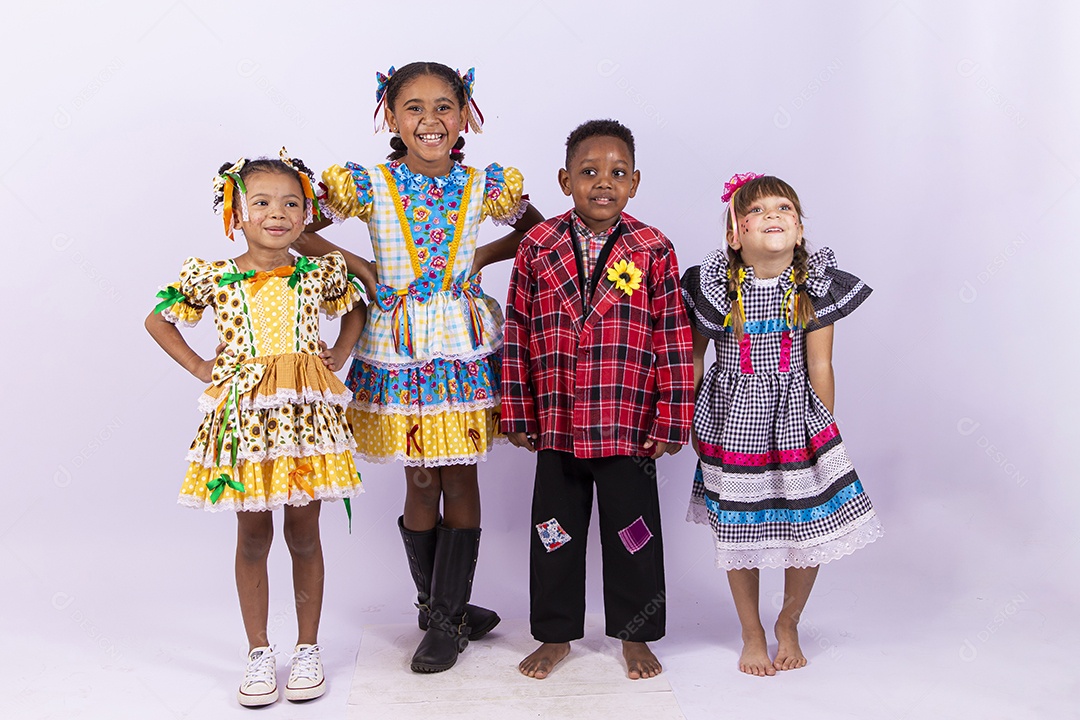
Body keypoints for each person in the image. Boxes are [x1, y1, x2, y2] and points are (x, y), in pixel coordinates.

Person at [297, 62, 544, 673]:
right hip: (400, 343)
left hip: (459, 343)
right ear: (391, 116)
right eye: (413, 107)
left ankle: (444, 618)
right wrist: (356, 262)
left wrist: (483, 253)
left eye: (443, 107)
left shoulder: (488, 183)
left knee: (460, 475)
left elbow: (538, 230)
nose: (429, 120)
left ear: (465, 116)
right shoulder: (370, 184)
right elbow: (298, 224)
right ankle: (440, 607)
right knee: (422, 479)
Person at [145, 150, 366, 706]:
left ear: (305, 212)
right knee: (252, 535)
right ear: (236, 212)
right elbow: (157, 318)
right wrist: (201, 366)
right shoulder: (216, 277)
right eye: (262, 202)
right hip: (245, 420)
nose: (278, 212)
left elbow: (357, 307)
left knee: (305, 532)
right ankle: (259, 651)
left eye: (292, 203)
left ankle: (308, 648)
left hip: (304, 419)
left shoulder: (318, 273)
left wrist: (339, 352)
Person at [501, 119, 693, 680]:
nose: (602, 182)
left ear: (634, 182)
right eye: (588, 172)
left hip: (626, 421)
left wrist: (672, 416)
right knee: (554, 532)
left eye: (616, 173)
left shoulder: (653, 247)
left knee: (633, 532)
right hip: (557, 419)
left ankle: (635, 635)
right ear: (565, 180)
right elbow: (516, 330)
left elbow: (673, 336)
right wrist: (516, 409)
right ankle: (555, 634)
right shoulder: (538, 245)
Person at [681, 172, 883, 676]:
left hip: (797, 420)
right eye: (759, 210)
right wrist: (689, 418)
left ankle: (788, 621)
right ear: (735, 234)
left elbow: (821, 366)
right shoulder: (716, 288)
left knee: (809, 526)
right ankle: (751, 631)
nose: (774, 215)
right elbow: (693, 358)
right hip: (734, 424)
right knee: (738, 530)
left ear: (799, 231)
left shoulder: (812, 288)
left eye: (785, 209)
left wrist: (824, 430)